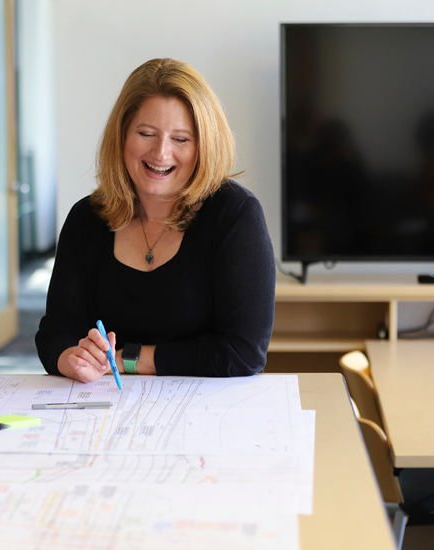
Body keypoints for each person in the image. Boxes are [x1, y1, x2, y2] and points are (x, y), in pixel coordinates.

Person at [35, 58, 275, 382]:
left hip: (206, 412)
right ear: (121, 136)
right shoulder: (86, 219)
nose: (161, 153)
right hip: (106, 408)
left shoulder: (235, 214)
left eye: (181, 139)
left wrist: (127, 359)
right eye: (146, 133)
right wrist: (72, 359)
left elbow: (243, 353)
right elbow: (55, 334)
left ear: (204, 146)